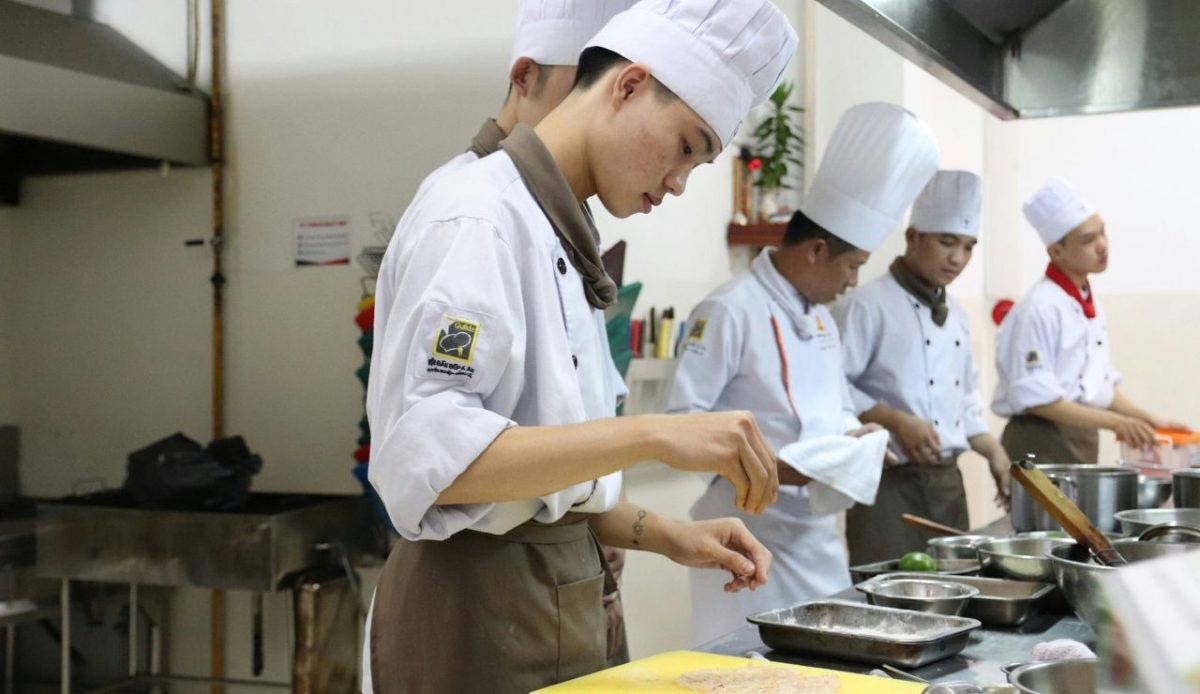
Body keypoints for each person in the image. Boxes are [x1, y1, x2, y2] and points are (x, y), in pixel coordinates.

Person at [363, 2, 798, 692]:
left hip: (549, 596)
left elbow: (544, 479)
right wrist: (654, 435)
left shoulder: (557, 229)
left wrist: (666, 534)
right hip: (475, 613)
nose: (680, 182)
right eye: (686, 147)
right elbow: (430, 463)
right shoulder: (478, 215)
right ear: (628, 85)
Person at [666, 102, 939, 644]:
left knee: (828, 659)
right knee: (742, 664)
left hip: (813, 533)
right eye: (852, 266)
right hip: (742, 534)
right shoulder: (730, 310)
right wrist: (767, 470)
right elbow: (681, 423)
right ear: (817, 251)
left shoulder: (821, 319)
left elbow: (836, 406)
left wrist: (856, 436)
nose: (853, 281)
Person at [833, 170, 1011, 565]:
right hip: (887, 488)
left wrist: (996, 455)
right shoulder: (866, 305)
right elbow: (832, 387)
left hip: (948, 485)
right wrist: (896, 420)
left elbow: (966, 405)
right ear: (913, 237)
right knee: (884, 592)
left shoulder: (958, 316)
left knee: (958, 588)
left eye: (968, 247)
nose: (957, 258)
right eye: (947, 242)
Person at [992, 178, 1189, 466]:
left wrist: (1150, 420)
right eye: (1088, 240)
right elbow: (1038, 400)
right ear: (1056, 252)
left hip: (1080, 436)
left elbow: (1099, 386)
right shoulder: (1039, 308)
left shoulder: (1085, 301)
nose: (1102, 246)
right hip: (1040, 438)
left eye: (1102, 233)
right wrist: (1117, 423)